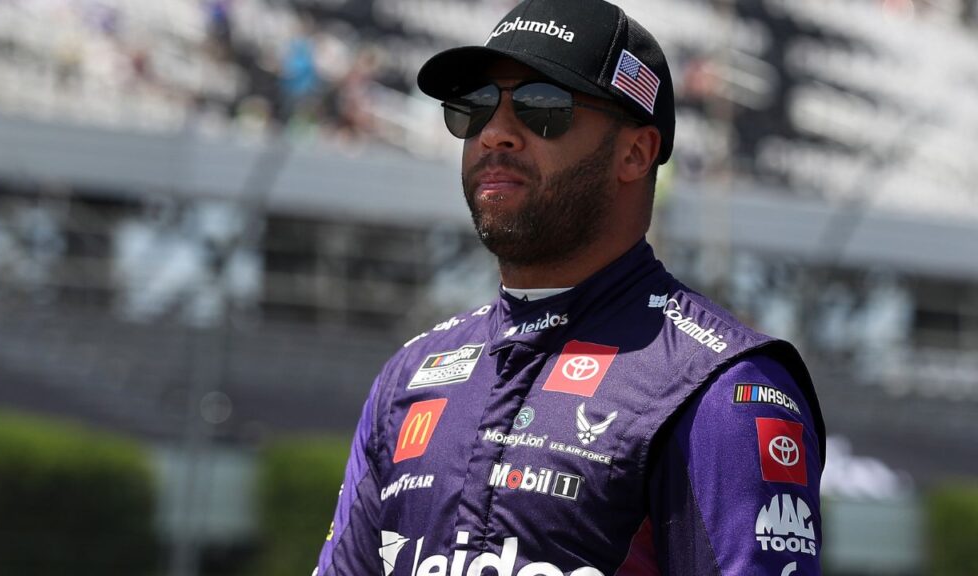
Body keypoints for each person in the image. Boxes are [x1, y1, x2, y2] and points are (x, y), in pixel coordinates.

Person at [314, 0, 825, 574]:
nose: (496, 134)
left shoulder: (720, 387)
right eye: (475, 106)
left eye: (542, 106)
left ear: (635, 152)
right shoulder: (411, 377)